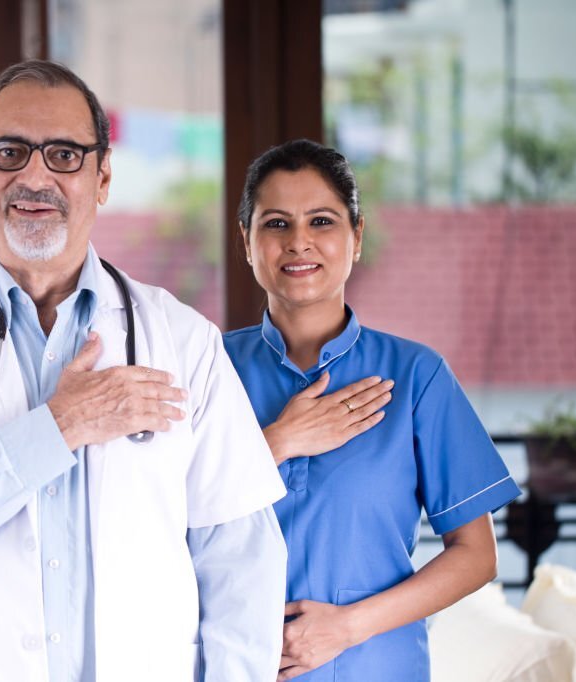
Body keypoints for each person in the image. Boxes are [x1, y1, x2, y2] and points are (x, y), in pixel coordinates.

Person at [0, 59, 287, 682]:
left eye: (65, 155)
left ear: (102, 177)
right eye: (10, 152)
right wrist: (58, 426)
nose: (35, 176)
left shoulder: (184, 341)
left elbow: (241, 563)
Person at [223, 139, 522, 681]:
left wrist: (348, 627)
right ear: (246, 241)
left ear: (356, 238)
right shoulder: (207, 370)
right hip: (231, 665)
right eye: (275, 224)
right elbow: (162, 519)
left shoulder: (416, 376)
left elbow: (476, 555)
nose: (299, 243)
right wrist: (277, 442)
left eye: (321, 221)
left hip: (375, 666)